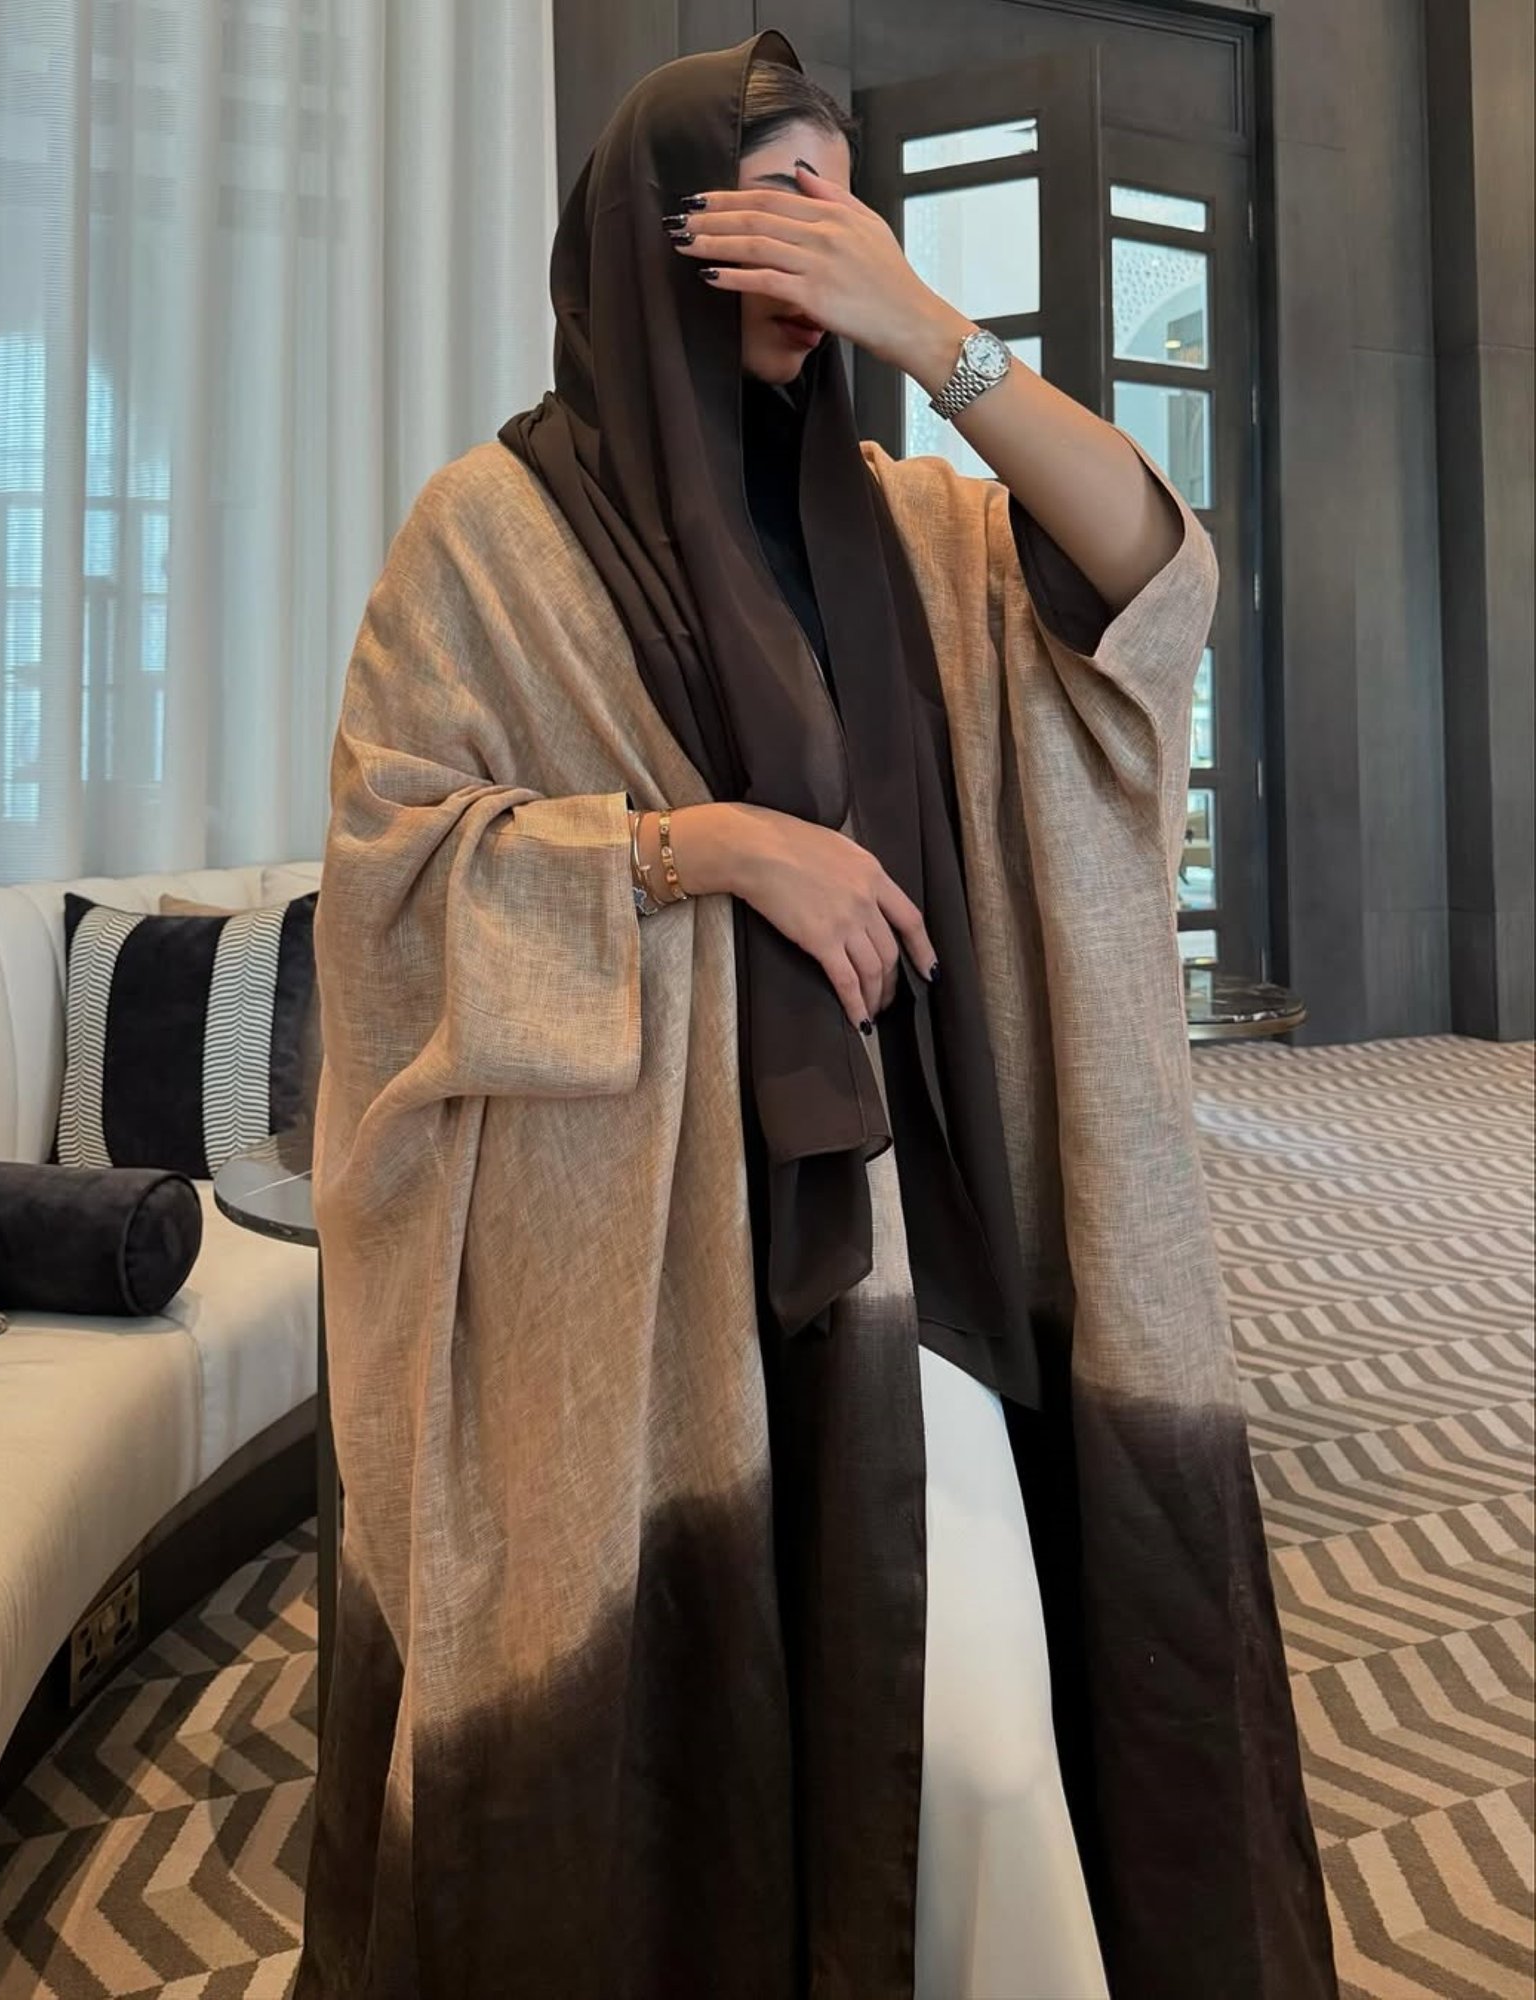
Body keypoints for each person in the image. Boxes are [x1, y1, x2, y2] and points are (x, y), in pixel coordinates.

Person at [293, 27, 1339, 2000]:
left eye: (844, 204)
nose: (822, 240)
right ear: (657, 231)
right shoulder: (488, 540)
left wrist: (935, 333)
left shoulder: (909, 527)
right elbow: (394, 881)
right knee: (687, 1735)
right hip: (633, 1284)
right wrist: (702, 851)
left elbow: (1153, 582)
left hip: (902, 1230)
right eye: (777, 196)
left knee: (977, 1734)